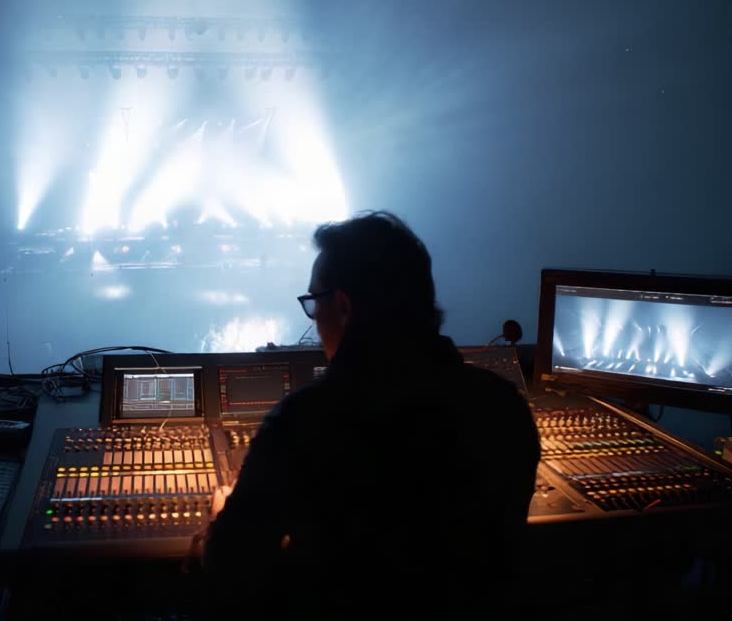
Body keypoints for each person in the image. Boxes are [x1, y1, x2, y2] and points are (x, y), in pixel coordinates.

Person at [200, 211, 540, 618]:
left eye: (313, 302)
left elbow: (230, 572)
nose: (312, 315)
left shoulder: (301, 424)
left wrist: (225, 515)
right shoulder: (504, 407)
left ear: (343, 306)